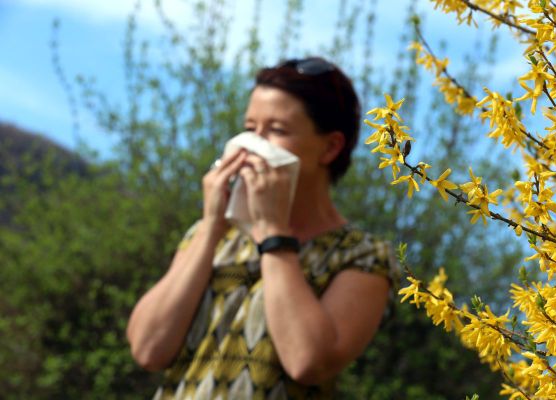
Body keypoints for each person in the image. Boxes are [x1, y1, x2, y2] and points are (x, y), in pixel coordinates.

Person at [126, 57, 399, 399]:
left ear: (330, 147)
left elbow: (308, 361)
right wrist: (211, 226)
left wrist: (273, 232)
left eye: (277, 131)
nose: (254, 145)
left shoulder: (362, 256)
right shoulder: (214, 236)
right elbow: (148, 349)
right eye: (251, 129)